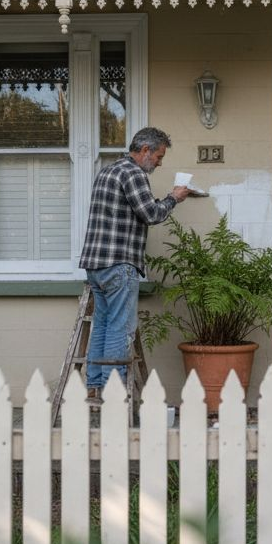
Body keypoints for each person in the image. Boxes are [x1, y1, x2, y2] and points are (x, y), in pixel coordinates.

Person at [78, 127, 193, 402]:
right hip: (119, 263)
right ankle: (112, 391)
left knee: (102, 324)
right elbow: (150, 214)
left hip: (96, 264)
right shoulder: (134, 173)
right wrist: (174, 198)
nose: (159, 163)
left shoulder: (108, 171)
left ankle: (94, 385)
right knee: (119, 328)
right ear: (145, 150)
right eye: (159, 156)